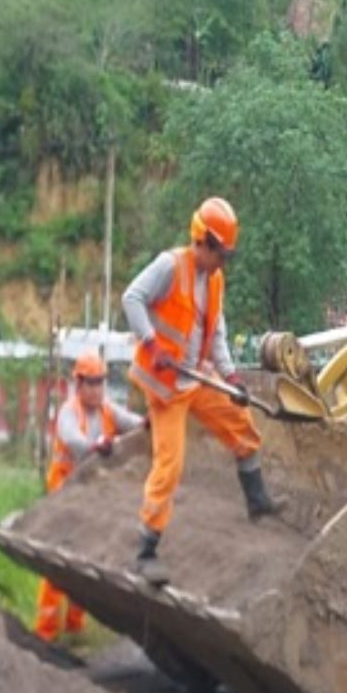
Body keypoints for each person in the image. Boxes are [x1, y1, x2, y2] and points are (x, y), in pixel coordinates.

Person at [121, 196, 281, 584]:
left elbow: (218, 332)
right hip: (166, 385)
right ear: (204, 243)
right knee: (169, 465)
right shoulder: (169, 266)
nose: (223, 262)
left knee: (241, 425)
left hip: (196, 376)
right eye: (221, 254)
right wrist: (150, 343)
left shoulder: (215, 280)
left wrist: (231, 378)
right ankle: (146, 549)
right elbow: (132, 298)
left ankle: (258, 502)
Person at [41, 351, 144, 639]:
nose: (97, 389)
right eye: (91, 383)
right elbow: (74, 441)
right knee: (57, 560)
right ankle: (45, 632)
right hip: (64, 493)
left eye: (101, 382)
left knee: (84, 561)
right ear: (79, 384)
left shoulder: (107, 409)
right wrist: (96, 445)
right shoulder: (68, 412)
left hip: (90, 497)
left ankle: (75, 627)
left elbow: (133, 422)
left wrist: (151, 422)